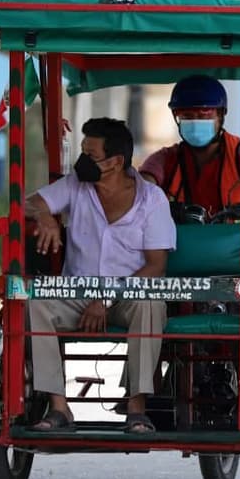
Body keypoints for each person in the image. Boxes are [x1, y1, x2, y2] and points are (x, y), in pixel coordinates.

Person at [26, 117, 176, 434]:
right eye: (82, 152)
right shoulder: (75, 185)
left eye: (90, 155)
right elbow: (30, 202)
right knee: (36, 303)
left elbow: (155, 266)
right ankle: (58, 407)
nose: (82, 161)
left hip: (128, 296)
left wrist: (106, 298)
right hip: (76, 293)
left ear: (116, 161)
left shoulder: (152, 199)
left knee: (150, 305)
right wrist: (46, 217)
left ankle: (136, 409)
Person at [140, 74, 240, 216]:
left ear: (221, 115)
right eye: (187, 116)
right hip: (177, 238)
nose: (195, 121)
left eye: (204, 116)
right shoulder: (165, 160)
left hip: (235, 237)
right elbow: (143, 187)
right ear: (176, 118)